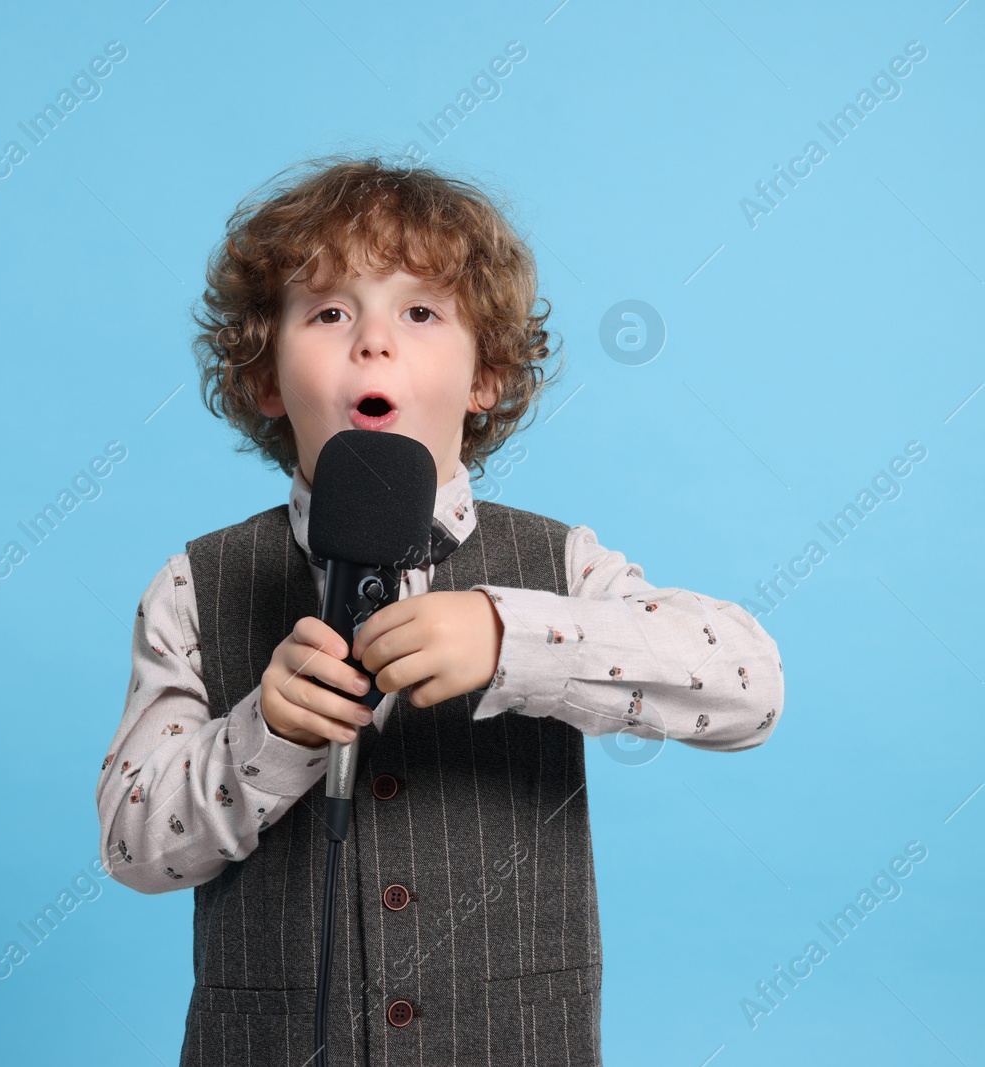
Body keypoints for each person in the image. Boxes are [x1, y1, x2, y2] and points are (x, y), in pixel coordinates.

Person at [95, 155, 785, 1066]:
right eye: (330, 311)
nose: (373, 342)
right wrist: (264, 732)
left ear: (485, 378)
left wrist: (517, 640)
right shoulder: (196, 582)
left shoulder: (560, 565)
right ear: (266, 379)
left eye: (420, 313)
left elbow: (749, 685)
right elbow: (132, 845)